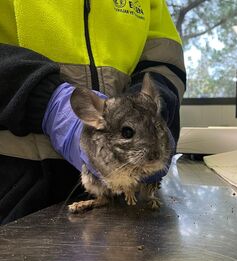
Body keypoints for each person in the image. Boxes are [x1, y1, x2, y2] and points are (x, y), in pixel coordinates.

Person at [0, 0, 186, 225]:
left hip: (130, 200)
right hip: (14, 182)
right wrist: (45, 100)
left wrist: (151, 109)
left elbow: (165, 60)